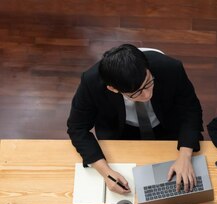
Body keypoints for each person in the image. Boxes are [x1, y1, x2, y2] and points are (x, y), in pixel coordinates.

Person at [67, 43, 204, 193]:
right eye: (135, 93)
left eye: (148, 83)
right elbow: (77, 127)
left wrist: (185, 156)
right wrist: (106, 173)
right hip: (121, 132)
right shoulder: (91, 82)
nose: (146, 95)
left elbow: (191, 109)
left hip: (168, 127)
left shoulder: (171, 68)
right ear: (113, 89)